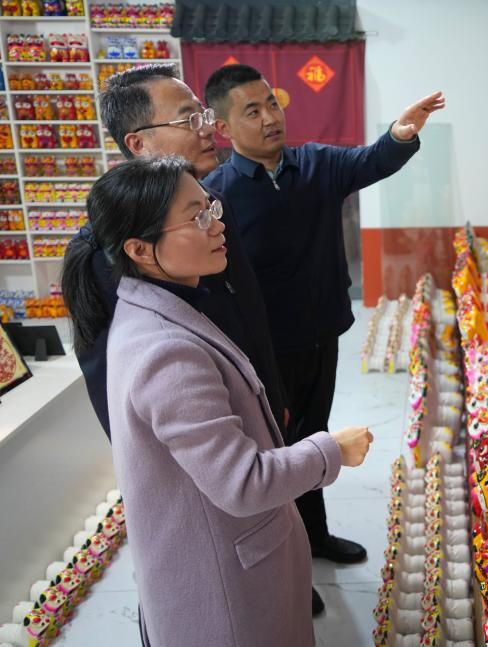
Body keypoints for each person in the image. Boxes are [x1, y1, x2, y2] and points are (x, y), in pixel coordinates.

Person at [60, 156, 374, 647]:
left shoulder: (165, 306)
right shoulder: (165, 352)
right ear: (139, 249)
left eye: (211, 208)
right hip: (225, 589)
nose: (217, 224)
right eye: (197, 217)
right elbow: (242, 482)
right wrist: (331, 450)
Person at [69, 64, 330, 616]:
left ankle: (293, 567)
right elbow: (111, 379)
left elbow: (246, 309)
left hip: (241, 402)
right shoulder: (110, 248)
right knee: (219, 565)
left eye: (203, 114)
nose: (208, 127)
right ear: (138, 143)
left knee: (270, 528)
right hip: (190, 442)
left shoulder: (210, 204)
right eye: (189, 118)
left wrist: (269, 389)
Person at [203, 64, 444, 564]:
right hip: (264, 351)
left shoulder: (315, 164)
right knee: (276, 451)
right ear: (224, 128)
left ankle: (315, 538)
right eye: (253, 111)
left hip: (322, 334)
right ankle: (286, 560)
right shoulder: (216, 194)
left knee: (315, 437)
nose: (271, 117)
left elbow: (371, 160)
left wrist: (401, 134)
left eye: (272, 104)